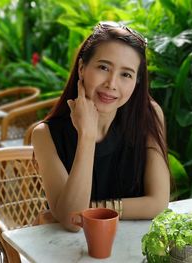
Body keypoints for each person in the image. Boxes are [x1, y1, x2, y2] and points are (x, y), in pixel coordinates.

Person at [32, 21, 171, 231]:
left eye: (126, 74)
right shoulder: (45, 135)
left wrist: (90, 210)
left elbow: (158, 203)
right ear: (82, 68)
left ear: (137, 81)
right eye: (103, 67)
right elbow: (72, 224)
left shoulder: (149, 116)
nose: (112, 84)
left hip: (133, 246)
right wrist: (86, 136)